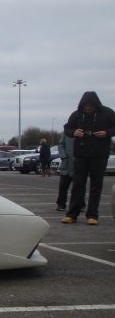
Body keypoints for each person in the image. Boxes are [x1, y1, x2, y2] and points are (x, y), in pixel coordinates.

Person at [61, 91, 115, 225]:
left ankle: (92, 215)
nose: (88, 108)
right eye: (85, 106)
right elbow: (67, 128)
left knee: (96, 186)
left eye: (90, 105)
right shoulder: (77, 114)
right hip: (80, 154)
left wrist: (106, 133)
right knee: (78, 185)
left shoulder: (107, 113)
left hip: (100, 154)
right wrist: (74, 132)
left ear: (96, 104)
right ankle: (72, 214)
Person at [55, 133, 74, 211]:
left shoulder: (84, 131)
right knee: (63, 186)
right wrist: (64, 156)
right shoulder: (67, 132)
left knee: (78, 187)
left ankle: (80, 204)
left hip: (79, 164)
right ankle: (61, 204)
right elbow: (61, 145)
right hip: (66, 165)